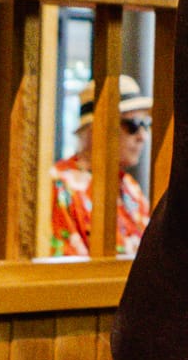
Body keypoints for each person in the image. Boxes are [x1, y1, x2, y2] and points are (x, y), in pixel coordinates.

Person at [49, 72, 153, 258]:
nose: (142, 136)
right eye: (133, 125)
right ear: (97, 129)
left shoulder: (130, 187)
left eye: (146, 124)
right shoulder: (61, 186)